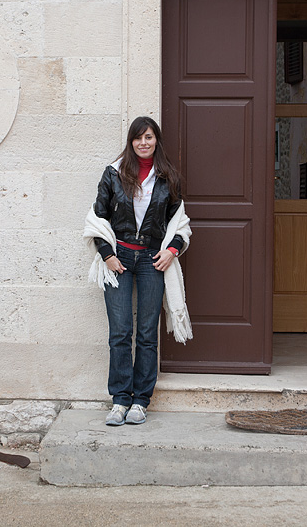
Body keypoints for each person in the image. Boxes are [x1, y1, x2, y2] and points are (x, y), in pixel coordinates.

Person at [83, 116, 192, 427]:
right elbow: (96, 218)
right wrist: (107, 255)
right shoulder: (113, 174)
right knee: (120, 333)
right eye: (138, 138)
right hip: (119, 260)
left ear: (156, 140)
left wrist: (171, 251)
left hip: (151, 261)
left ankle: (141, 401)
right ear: (131, 142)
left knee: (146, 335)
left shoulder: (168, 176)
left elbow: (180, 224)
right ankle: (119, 400)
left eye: (149, 137)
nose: (144, 143)